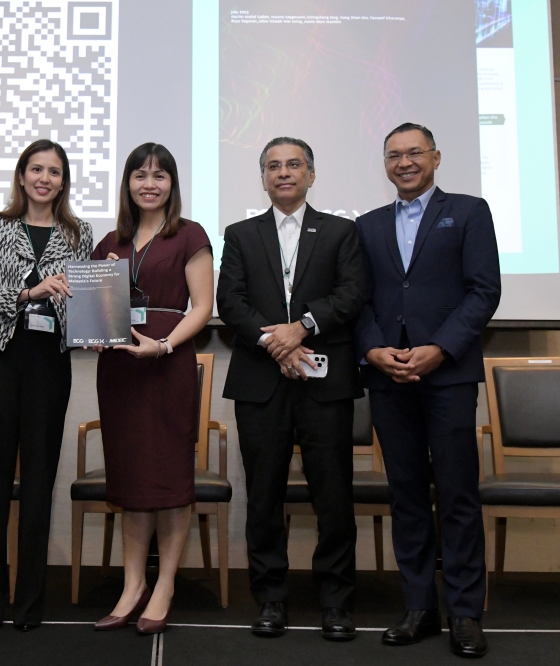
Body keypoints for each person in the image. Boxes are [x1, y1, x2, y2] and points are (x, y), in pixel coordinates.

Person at [354, 123, 501, 659]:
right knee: (407, 495)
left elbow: (484, 291)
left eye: (415, 153)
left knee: (459, 495)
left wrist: (440, 347)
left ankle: (465, 612)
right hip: (388, 376)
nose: (405, 162)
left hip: (449, 374)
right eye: (394, 155)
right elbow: (358, 300)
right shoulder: (367, 226)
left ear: (436, 157)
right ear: (385, 164)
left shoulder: (468, 211)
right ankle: (419, 606)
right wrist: (372, 349)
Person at [217, 137, 367, 641]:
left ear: (311, 173)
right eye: (273, 166)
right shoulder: (240, 234)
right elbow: (231, 301)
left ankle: (337, 603)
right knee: (263, 497)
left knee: (333, 495)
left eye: (294, 165)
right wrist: (275, 342)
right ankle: (271, 599)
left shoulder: (342, 232)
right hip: (262, 383)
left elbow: (351, 293)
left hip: (326, 383)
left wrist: (300, 327)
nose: (284, 173)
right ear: (263, 178)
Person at [0, 140, 93, 631]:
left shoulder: (78, 233)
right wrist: (30, 291)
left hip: (48, 361)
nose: (45, 178)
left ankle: (29, 605)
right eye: (36, 169)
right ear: (22, 176)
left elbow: (84, 304)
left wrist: (100, 329)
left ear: (64, 181)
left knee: (40, 480)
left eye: (55, 172)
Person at [91, 143, 214, 634]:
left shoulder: (189, 235)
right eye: (140, 175)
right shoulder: (110, 241)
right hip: (121, 372)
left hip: (167, 366)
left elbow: (203, 307)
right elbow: (97, 311)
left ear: (172, 184)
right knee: (131, 476)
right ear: (127, 183)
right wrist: (97, 336)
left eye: (159, 175)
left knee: (168, 477)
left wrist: (162, 347)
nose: (149, 183)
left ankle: (164, 586)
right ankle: (132, 585)